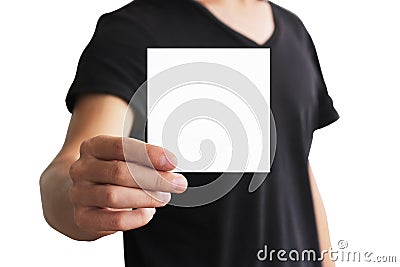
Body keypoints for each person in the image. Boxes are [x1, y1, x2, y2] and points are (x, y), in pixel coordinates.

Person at [40, 0, 339, 266]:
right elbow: (68, 169)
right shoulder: (133, 32)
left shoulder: (295, 32)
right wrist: (79, 194)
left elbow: (296, 166)